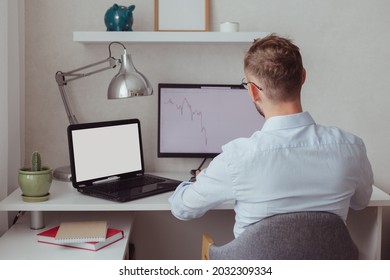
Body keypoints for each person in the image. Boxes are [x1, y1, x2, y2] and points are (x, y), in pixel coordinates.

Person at [168, 34, 374, 238]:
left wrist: (202, 180)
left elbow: (182, 209)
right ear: (303, 77)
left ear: (253, 91)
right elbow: (360, 202)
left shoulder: (236, 159)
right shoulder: (351, 147)